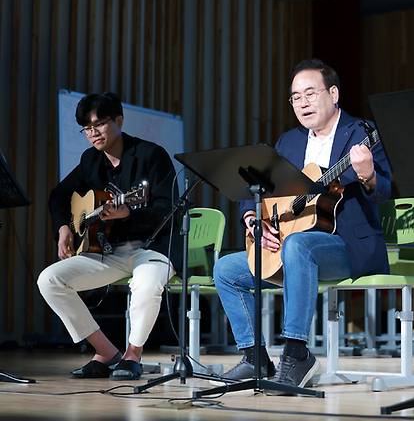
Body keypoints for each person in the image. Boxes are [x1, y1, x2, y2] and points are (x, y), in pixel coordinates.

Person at [213, 59, 392, 392]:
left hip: (346, 246)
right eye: (296, 97)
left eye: (311, 93)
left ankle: (296, 354)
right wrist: (253, 219)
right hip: (287, 244)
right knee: (226, 269)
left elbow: (385, 191)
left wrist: (367, 174)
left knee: (299, 246)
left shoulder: (363, 134)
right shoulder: (288, 142)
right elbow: (255, 189)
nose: (303, 103)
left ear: (334, 93)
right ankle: (255, 357)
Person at [38, 92, 181, 381]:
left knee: (145, 283)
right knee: (49, 280)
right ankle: (106, 352)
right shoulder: (90, 161)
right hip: (108, 251)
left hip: (153, 249)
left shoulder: (151, 155)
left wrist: (130, 213)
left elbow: (169, 209)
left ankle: (132, 355)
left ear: (119, 120)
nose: (93, 134)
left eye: (99, 124)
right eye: (87, 128)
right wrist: (63, 227)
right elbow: (58, 196)